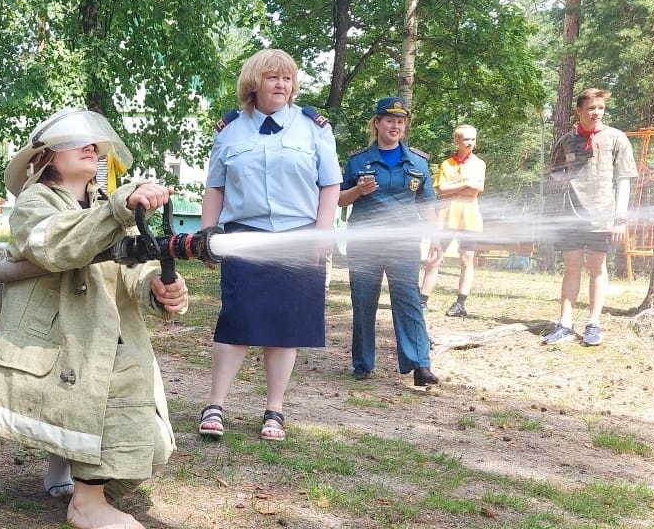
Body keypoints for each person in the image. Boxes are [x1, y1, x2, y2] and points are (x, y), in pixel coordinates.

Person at [0, 108, 187, 529]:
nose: (92, 147)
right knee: (111, 383)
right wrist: (122, 208)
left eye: (95, 142)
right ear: (44, 157)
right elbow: (58, 245)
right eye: (77, 141)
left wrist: (157, 289)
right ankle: (87, 503)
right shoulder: (33, 204)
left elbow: (127, 270)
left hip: (104, 331)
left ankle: (67, 459)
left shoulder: (105, 208)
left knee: (148, 444)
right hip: (62, 340)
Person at [197, 48, 341, 442]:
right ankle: (215, 404)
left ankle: (274, 409)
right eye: (273, 77)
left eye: (288, 78)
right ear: (253, 83)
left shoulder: (313, 127)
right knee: (236, 319)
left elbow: (330, 184)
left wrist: (322, 232)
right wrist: (205, 236)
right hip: (245, 235)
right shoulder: (229, 129)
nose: (282, 85)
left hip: (300, 235)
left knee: (286, 324)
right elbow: (216, 187)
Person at [339, 96, 441, 387]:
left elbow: (427, 205)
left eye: (400, 121)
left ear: (404, 126)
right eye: (389, 120)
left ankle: (420, 365)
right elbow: (338, 199)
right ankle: (362, 364)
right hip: (365, 242)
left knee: (408, 300)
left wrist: (435, 237)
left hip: (403, 242)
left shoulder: (418, 162)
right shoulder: (358, 161)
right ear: (377, 123)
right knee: (363, 300)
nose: (395, 126)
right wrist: (358, 191)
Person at [542, 87, 636, 347]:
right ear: (579, 111)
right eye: (591, 108)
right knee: (571, 269)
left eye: (601, 108)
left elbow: (624, 180)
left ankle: (593, 324)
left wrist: (620, 217)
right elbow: (555, 172)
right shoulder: (567, 140)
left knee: (596, 269)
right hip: (570, 216)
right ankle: (565, 325)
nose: (596, 113)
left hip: (603, 218)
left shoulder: (616, 138)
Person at [420, 124, 486, 317]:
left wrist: (455, 187)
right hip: (446, 217)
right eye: (466, 139)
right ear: (456, 141)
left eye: (473, 139)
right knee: (435, 257)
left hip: (470, 218)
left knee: (467, 260)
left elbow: (477, 189)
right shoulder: (447, 164)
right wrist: (465, 183)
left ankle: (460, 303)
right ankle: (422, 300)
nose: (471, 143)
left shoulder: (479, 164)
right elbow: (441, 188)